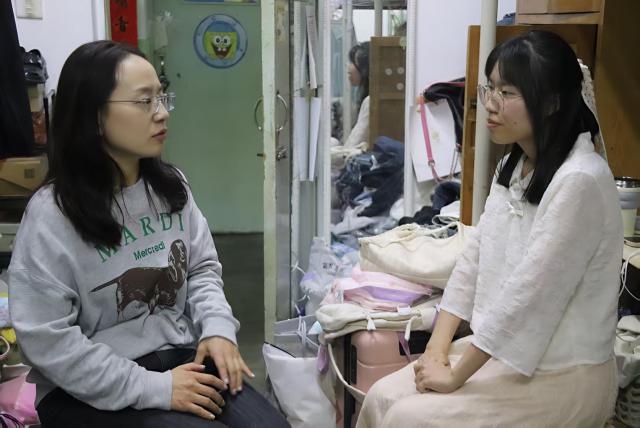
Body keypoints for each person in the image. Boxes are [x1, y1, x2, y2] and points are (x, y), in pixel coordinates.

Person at [9, 40, 289, 428]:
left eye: (162, 97)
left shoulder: (170, 187)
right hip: (82, 388)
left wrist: (218, 330)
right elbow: (47, 340)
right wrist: (155, 388)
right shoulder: (52, 215)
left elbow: (201, 270)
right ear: (94, 116)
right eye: (144, 101)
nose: (162, 113)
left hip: (176, 354)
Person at [357, 30, 622, 428]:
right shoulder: (513, 166)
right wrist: (437, 348)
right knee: (381, 396)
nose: (490, 103)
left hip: (563, 371)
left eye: (508, 92)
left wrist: (455, 376)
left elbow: (530, 295)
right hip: (503, 355)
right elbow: (474, 259)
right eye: (490, 88)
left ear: (552, 103)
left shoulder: (580, 180)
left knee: (409, 418)